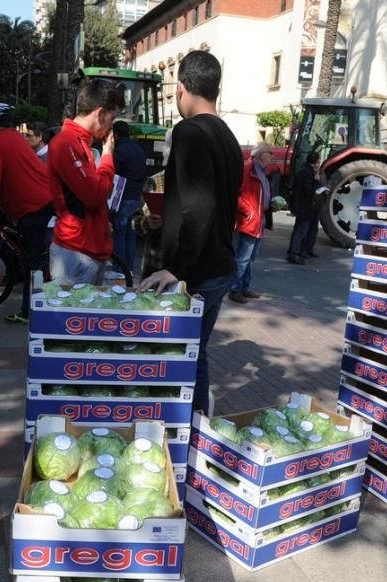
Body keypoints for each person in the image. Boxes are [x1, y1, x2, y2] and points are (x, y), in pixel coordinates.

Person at [139, 51, 243, 416]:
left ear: (181, 88)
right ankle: (195, 429)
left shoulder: (189, 131)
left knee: (180, 359)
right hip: (218, 265)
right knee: (194, 355)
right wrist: (165, 222)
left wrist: (177, 269)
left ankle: (188, 434)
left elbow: (199, 208)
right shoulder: (228, 136)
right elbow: (207, 202)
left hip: (195, 273)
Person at [0, 103, 55, 324]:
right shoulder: (15, 138)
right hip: (42, 200)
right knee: (32, 255)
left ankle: (30, 313)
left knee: (31, 262)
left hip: (33, 207)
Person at [46, 78, 124, 285]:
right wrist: (108, 155)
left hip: (86, 248)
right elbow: (94, 195)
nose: (111, 127)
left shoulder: (79, 142)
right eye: (112, 118)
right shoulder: (66, 143)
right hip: (76, 250)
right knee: (72, 315)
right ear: (99, 113)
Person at [228, 143, 272, 304]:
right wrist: (248, 212)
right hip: (250, 220)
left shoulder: (259, 171)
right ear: (261, 155)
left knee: (249, 258)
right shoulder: (248, 169)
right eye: (270, 153)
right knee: (243, 258)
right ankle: (235, 289)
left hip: (257, 219)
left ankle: (243, 287)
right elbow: (235, 194)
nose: (272, 156)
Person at [111, 120, 147, 277]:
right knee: (131, 233)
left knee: (119, 232)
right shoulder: (138, 149)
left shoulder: (119, 151)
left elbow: (114, 174)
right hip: (136, 196)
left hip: (123, 196)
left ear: (116, 135)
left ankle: (120, 269)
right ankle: (130, 268)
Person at [288, 151, 322, 264]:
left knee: (300, 229)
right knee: (300, 231)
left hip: (301, 205)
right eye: (318, 162)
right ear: (315, 162)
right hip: (304, 206)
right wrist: (316, 182)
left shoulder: (303, 170)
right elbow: (309, 191)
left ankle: (296, 252)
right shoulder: (307, 173)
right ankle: (294, 253)